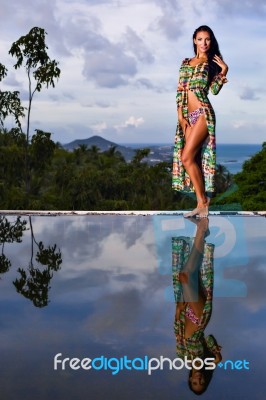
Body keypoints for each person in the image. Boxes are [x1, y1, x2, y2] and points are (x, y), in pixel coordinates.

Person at [172, 25, 228, 218]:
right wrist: (180, 115)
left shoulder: (210, 64)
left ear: (211, 42)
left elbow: (213, 91)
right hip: (188, 116)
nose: (204, 43)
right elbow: (180, 90)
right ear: (194, 41)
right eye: (200, 39)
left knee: (186, 157)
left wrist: (224, 71)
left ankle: (204, 201)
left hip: (203, 113)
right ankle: (200, 203)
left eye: (207, 39)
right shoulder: (186, 62)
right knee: (191, 159)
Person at [172, 218, 222, 395]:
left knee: (188, 275)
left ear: (190, 379)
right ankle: (201, 229)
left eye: (194, 382)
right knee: (186, 275)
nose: (198, 379)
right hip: (199, 319)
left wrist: (178, 310)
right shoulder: (207, 361)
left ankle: (201, 232)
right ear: (205, 379)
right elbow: (209, 338)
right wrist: (216, 357)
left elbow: (178, 335)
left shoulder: (182, 357)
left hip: (186, 315)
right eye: (201, 382)